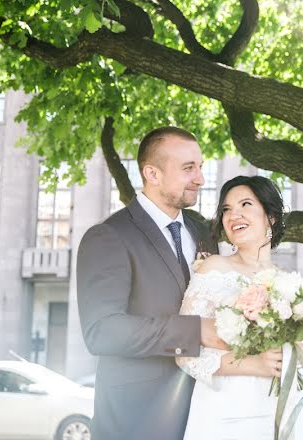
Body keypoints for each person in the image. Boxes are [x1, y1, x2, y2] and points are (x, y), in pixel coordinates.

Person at [76, 126, 225, 440]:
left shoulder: (202, 230)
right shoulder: (109, 236)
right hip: (136, 422)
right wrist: (196, 331)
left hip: (204, 414)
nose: (200, 178)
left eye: (200, 167)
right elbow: (102, 331)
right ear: (152, 174)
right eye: (188, 169)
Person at [177, 175, 303, 440]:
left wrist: (290, 349)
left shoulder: (290, 282)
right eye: (226, 209)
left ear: (270, 216)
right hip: (228, 413)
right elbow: (184, 352)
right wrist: (255, 364)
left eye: (245, 204)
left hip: (290, 409)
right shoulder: (214, 268)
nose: (234, 214)